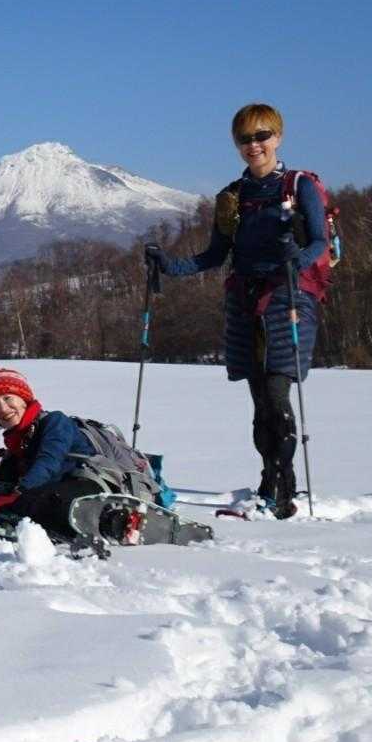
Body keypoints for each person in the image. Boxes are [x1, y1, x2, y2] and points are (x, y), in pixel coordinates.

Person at [144, 103, 328, 519]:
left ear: (278, 137)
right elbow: (214, 255)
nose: (254, 144)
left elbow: (319, 241)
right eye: (245, 138)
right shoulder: (233, 196)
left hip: (288, 297)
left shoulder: (300, 186)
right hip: (244, 300)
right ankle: (269, 478)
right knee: (260, 400)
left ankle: (282, 486)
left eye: (262, 135)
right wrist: (169, 265)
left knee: (277, 393)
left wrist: (296, 261)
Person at [0, 367, 157, 539]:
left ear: (24, 398)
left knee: (30, 502)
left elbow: (48, 462)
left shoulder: (55, 422)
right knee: (10, 500)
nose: (3, 408)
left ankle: (116, 524)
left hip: (92, 485)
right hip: (59, 488)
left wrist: (17, 495)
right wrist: (1, 471)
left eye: (8, 398)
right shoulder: (19, 440)